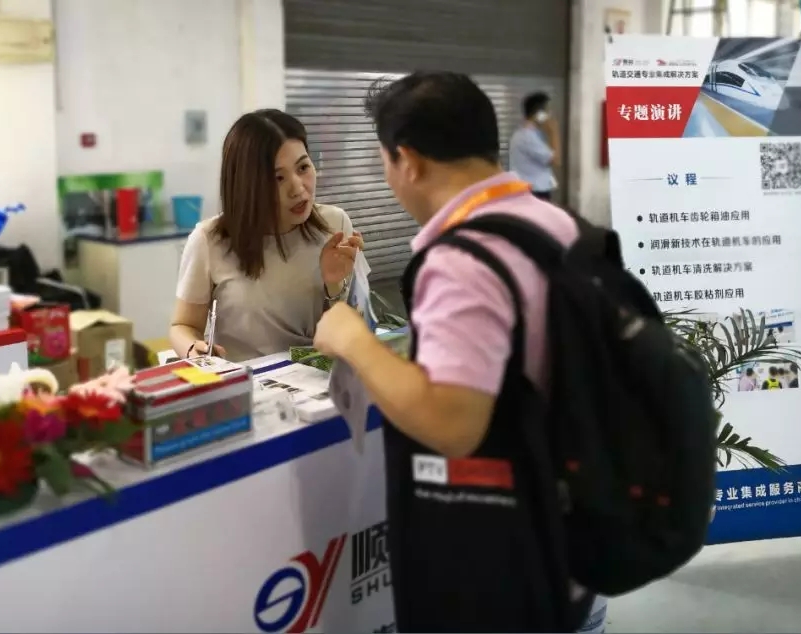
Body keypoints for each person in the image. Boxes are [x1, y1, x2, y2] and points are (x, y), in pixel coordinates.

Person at [313, 71, 581, 631]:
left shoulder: (463, 260)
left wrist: (353, 340)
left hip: (489, 553)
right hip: (556, 522)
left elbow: (453, 424)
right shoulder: (552, 222)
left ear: (408, 161)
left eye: (385, 162)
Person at [169, 109, 363, 362]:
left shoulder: (334, 225)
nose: (297, 188)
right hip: (247, 380)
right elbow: (183, 325)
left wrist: (335, 285)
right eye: (278, 178)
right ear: (247, 185)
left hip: (319, 378)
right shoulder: (209, 240)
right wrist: (193, 349)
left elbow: (355, 329)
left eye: (303, 167)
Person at [508, 92, 560, 202]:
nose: (550, 115)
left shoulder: (530, 134)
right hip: (534, 192)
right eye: (547, 111)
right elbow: (556, 160)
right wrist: (554, 132)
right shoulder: (528, 137)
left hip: (532, 190)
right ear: (539, 114)